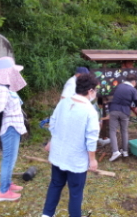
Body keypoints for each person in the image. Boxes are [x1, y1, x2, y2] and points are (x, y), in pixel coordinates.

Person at [42, 74, 100, 217]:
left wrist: (52, 141)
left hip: (59, 154)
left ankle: (46, 214)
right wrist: (92, 159)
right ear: (90, 91)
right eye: (95, 90)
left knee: (55, 184)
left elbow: (53, 122)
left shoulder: (64, 102)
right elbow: (91, 138)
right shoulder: (90, 111)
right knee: (75, 192)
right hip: (76, 158)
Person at [0, 56, 27, 202]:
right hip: (9, 128)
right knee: (8, 159)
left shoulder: (5, 87)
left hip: (13, 127)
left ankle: (7, 183)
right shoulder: (1, 88)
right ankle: (3, 192)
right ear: (7, 72)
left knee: (11, 158)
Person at [108, 74, 137, 162]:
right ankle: (125, 151)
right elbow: (136, 102)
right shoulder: (133, 89)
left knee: (112, 131)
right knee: (124, 131)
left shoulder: (119, 86)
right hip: (125, 112)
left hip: (114, 110)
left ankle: (115, 151)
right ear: (134, 82)